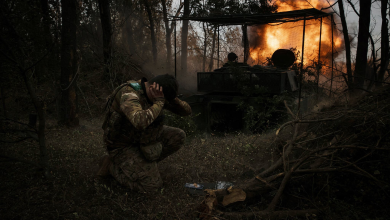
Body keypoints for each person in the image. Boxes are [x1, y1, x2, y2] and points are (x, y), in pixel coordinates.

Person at [98, 74, 192, 193]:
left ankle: (141, 166)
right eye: (162, 99)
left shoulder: (157, 94)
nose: (163, 102)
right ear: (153, 88)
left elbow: (187, 111)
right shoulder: (128, 93)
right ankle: (111, 166)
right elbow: (139, 121)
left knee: (178, 135)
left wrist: (172, 98)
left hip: (142, 137)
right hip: (121, 145)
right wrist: (158, 102)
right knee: (151, 187)